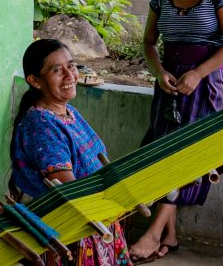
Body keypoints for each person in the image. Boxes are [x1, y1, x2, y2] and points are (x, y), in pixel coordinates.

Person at [128, 0, 223, 263]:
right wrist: (159, 71)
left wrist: (197, 74)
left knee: (184, 157)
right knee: (162, 152)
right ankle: (171, 235)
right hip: (169, 84)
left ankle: (151, 234)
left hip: (204, 85)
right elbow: (149, 43)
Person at [10, 38, 135, 266]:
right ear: (34, 81)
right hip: (72, 234)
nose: (70, 75)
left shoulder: (69, 113)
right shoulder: (41, 125)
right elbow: (67, 189)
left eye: (72, 65)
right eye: (57, 70)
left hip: (96, 222)